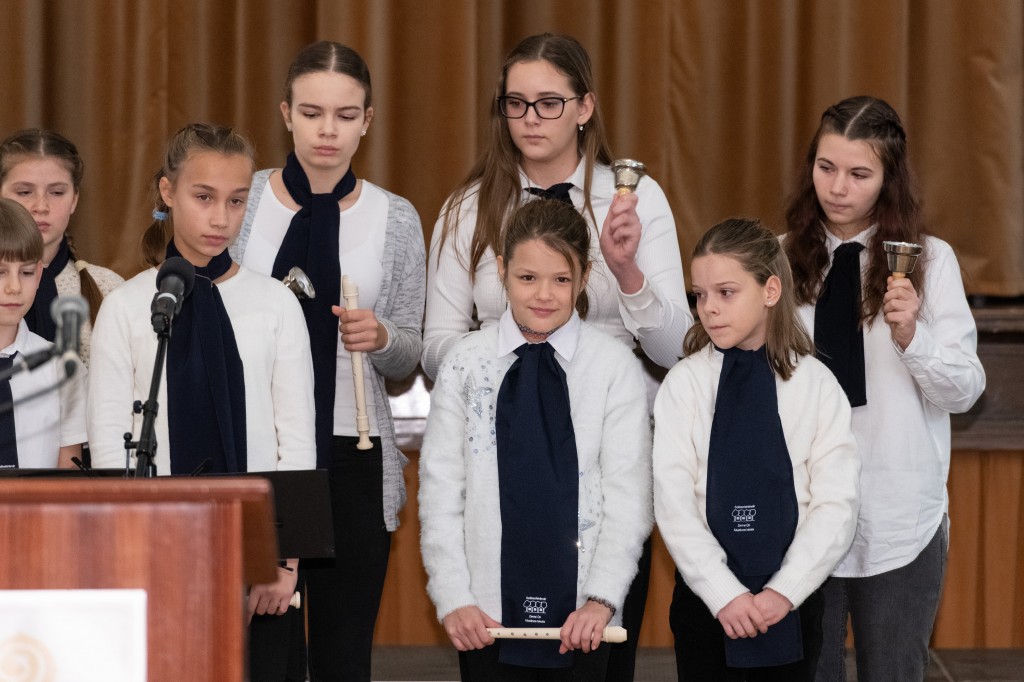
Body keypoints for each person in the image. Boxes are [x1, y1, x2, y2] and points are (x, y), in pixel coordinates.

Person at [422, 32, 691, 678]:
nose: (530, 120)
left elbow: (675, 348)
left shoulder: (634, 200)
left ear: (585, 107)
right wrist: (508, 364)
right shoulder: (468, 207)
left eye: (549, 103)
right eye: (515, 104)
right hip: (498, 442)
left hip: (603, 447)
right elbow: (436, 349)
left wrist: (626, 272)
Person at [87, 123, 316, 682]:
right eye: (204, 197)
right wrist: (126, 557)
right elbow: (110, 443)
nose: (221, 219)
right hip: (154, 554)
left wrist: (283, 560)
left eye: (236, 201)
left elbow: (295, 440)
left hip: (258, 557)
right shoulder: (127, 307)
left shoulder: (276, 304)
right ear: (168, 192)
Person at [229, 40, 426, 682]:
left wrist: (382, 336)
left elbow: (409, 355)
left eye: (345, 115)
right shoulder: (242, 200)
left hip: (353, 450)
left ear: (367, 120)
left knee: (345, 652)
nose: (327, 130)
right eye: (312, 113)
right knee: (265, 649)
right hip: (259, 447)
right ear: (286, 113)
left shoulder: (396, 217)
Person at [781, 96, 986, 681]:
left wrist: (912, 337)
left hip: (899, 513)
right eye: (826, 167)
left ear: (889, 179)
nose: (837, 188)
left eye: (859, 174)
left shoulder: (931, 261)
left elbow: (965, 391)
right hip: (802, 509)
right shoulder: (778, 257)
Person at [419, 198, 652, 681]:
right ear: (502, 270)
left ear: (584, 277)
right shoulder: (465, 364)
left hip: (585, 618)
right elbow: (441, 492)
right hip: (483, 614)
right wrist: (454, 597)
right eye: (528, 277)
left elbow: (629, 498)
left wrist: (601, 598)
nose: (544, 294)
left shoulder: (614, 368)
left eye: (561, 279)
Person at [653, 217, 860, 681]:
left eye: (726, 292)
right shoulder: (684, 385)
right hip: (705, 602)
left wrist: (784, 591)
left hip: (792, 603)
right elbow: (673, 503)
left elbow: (836, 504)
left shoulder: (816, 385)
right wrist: (723, 593)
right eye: (699, 295)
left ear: (770, 291)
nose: (709, 308)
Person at [0, 129, 124, 367]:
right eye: (24, 192)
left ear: (74, 200)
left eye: (56, 192)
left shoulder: (109, 289)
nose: (41, 206)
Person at [0, 197, 86, 469]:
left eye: (26, 272)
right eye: (1, 272)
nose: (14, 287)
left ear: (39, 274)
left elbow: (69, 473)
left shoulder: (63, 368)